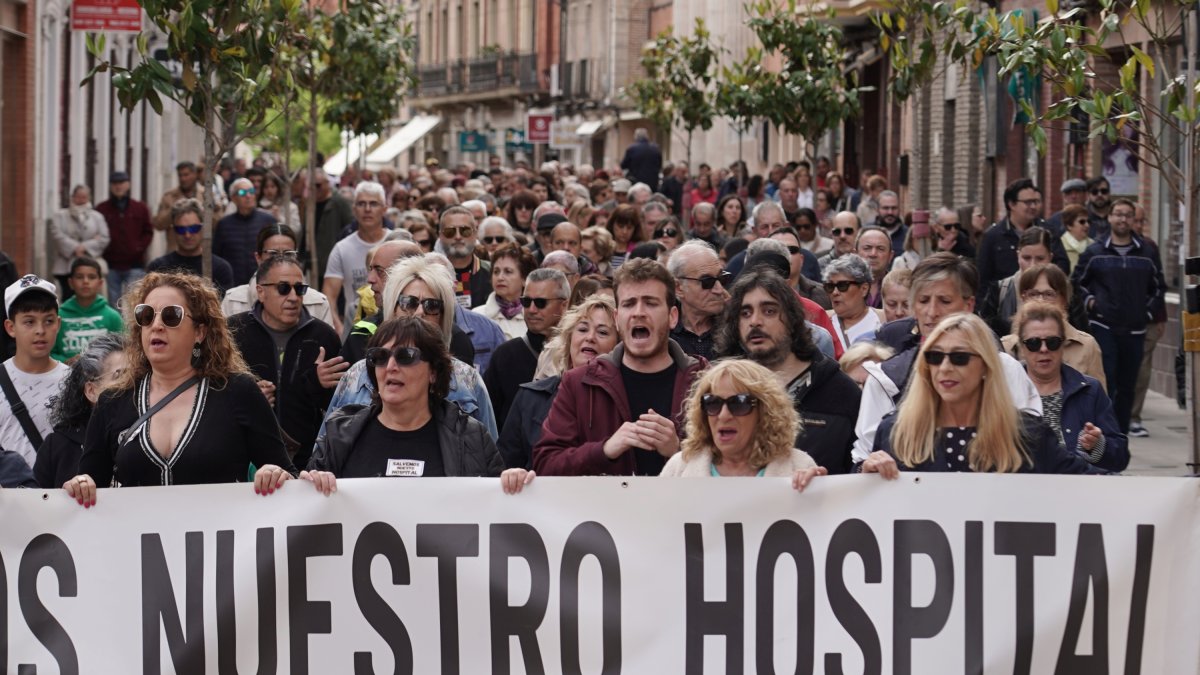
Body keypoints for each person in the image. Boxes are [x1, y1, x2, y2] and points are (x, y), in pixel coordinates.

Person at [66, 272, 297, 507]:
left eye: (171, 316)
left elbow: (288, 477)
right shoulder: (112, 401)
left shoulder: (238, 392)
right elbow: (91, 486)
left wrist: (276, 475)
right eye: (146, 315)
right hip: (137, 541)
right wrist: (80, 485)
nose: (156, 325)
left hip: (220, 541)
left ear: (200, 332)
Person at [853, 253, 1042, 467]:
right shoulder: (884, 379)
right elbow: (863, 458)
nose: (932, 312)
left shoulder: (1005, 368)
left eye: (944, 301)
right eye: (923, 301)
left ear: (968, 305)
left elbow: (1033, 447)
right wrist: (869, 467)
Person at [862, 313, 1102, 476]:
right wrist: (866, 474)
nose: (945, 367)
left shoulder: (1028, 435)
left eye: (959, 357)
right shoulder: (895, 432)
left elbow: (1087, 486)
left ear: (986, 367)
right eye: (934, 357)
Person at [303, 317, 526, 487]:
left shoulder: (472, 437)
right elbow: (306, 508)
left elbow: (497, 517)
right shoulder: (339, 433)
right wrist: (289, 481)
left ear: (434, 372)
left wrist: (512, 485)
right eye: (380, 357)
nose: (390, 366)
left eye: (406, 356)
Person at [534, 258, 706, 476]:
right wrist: (604, 450)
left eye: (651, 303)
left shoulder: (704, 382)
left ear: (673, 317)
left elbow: (731, 466)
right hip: (602, 510)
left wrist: (679, 452)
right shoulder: (579, 383)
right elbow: (546, 464)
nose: (638, 312)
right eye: (629, 304)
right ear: (617, 318)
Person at [318, 255, 498, 444]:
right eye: (408, 303)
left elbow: (488, 457)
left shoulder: (467, 380)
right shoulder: (356, 376)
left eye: (432, 305)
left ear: (443, 318)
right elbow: (324, 455)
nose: (420, 312)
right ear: (392, 309)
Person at [715, 269, 861, 473]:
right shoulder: (720, 388)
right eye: (745, 313)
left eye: (769, 311)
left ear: (793, 320)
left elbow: (859, 469)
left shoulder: (841, 392)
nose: (755, 321)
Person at [228, 254, 343, 467]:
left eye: (299, 289)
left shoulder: (323, 336)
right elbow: (211, 395)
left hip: (306, 462)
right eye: (283, 288)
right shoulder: (233, 332)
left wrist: (319, 385)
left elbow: (340, 408)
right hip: (245, 461)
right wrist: (248, 397)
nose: (293, 297)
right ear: (260, 292)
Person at [1072, 197, 1166, 433]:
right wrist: (1092, 303)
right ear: (1110, 218)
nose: (1123, 219)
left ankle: (1121, 434)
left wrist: (1146, 311)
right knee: (1107, 382)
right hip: (1104, 327)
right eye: (1118, 214)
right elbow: (1076, 283)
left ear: (1134, 220)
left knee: (1127, 386)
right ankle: (1104, 432)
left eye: (1127, 215)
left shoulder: (1147, 252)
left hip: (1135, 329)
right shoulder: (1095, 251)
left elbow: (1158, 287)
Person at [661, 359, 826, 490]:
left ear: (764, 412)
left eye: (739, 403)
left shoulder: (799, 466)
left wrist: (817, 493)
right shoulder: (679, 469)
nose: (724, 415)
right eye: (713, 403)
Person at [498, 295, 619, 469]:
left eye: (602, 332)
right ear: (569, 340)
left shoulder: (624, 401)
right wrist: (514, 475)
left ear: (618, 347)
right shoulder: (530, 397)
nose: (590, 337)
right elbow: (503, 464)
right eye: (583, 329)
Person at [1014, 302, 1128, 472]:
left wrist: (1097, 446)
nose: (1044, 349)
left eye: (1052, 342)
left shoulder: (1090, 390)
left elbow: (1120, 458)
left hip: (1078, 491)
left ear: (1063, 344)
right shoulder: (1004, 391)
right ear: (1022, 348)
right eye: (1033, 343)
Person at [35, 334, 127, 489]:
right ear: (91, 390)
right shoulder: (57, 446)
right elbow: (37, 506)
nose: (131, 385)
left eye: (137, 377)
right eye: (120, 376)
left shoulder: (150, 436)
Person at [484, 268, 569, 431]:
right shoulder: (505, 355)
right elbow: (490, 418)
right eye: (526, 302)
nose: (531, 309)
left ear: (564, 305)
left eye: (540, 303)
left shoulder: (577, 353)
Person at [0, 275, 70, 471]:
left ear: (58, 323)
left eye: (48, 321)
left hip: (59, 495)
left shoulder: (73, 382)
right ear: (11, 327)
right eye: (29, 322)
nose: (40, 330)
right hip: (8, 497)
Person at [976, 178, 1069, 305]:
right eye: (1028, 202)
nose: (1033, 206)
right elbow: (983, 278)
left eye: (1036, 202)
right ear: (1011, 204)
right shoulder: (993, 236)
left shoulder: (1048, 231)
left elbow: (1063, 266)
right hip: (1006, 304)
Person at [221, 224, 335, 327]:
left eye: (288, 254)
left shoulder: (318, 302)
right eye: (272, 253)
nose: (280, 259)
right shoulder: (233, 300)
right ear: (258, 258)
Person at [323, 181, 390, 335]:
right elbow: (329, 297)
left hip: (393, 329)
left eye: (373, 204)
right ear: (354, 210)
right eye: (361, 204)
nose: (367, 209)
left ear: (384, 209)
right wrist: (340, 329)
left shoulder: (397, 243)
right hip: (355, 331)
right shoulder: (341, 249)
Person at [146, 198, 236, 296]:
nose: (187, 235)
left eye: (193, 228)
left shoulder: (220, 268)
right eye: (181, 229)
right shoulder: (158, 268)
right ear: (173, 230)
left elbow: (223, 308)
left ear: (203, 228)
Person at [980, 225, 1054, 337]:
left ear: (1050, 257)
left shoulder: (1066, 292)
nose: (1032, 265)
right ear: (1018, 255)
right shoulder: (998, 291)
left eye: (1040, 258)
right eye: (1026, 258)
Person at [51, 257, 124, 363]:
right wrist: (66, 361)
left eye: (91, 277)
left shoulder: (113, 317)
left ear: (100, 283)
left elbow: (125, 351)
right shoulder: (58, 316)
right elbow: (48, 352)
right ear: (71, 283)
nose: (85, 281)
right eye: (80, 277)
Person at [98, 171, 154, 305]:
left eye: (122, 183)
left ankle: (133, 326)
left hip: (135, 264)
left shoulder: (140, 208)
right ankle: (117, 326)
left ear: (128, 185)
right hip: (112, 264)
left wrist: (139, 247)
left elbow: (148, 231)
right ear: (110, 186)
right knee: (113, 301)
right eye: (115, 183)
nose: (118, 187)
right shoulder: (102, 209)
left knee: (134, 301)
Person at [668, 240, 730, 360]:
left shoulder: (736, 326)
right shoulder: (663, 331)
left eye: (722, 278)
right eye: (707, 282)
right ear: (678, 287)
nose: (719, 289)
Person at [213, 177, 278, 285]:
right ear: (233, 198)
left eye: (251, 191)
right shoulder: (224, 224)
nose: (248, 196)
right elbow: (217, 256)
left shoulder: (268, 221)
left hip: (264, 283)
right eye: (242, 192)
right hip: (233, 285)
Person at [50, 185, 110, 299]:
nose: (81, 200)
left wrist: (85, 247)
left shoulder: (97, 217)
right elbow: (57, 235)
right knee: (67, 296)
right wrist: (75, 248)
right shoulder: (60, 216)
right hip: (65, 265)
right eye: (78, 197)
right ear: (72, 197)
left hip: (91, 262)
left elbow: (104, 238)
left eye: (84, 197)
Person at [473, 243, 536, 340]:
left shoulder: (535, 316)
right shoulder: (477, 316)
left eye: (508, 271)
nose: (500, 277)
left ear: (524, 279)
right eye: (496, 272)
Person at [437, 205, 492, 309]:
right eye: (450, 232)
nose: (458, 237)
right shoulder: (430, 275)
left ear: (475, 233)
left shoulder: (493, 272)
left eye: (465, 231)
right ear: (440, 236)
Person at [824, 254, 885, 347]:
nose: (835, 292)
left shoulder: (883, 319)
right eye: (830, 286)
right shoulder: (822, 320)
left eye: (842, 286)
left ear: (864, 289)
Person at [152, 161, 206, 252]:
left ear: (195, 175)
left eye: (186, 175)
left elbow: (217, 222)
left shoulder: (206, 194)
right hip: (176, 252)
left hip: (201, 252)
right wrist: (174, 209)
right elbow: (158, 224)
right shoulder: (169, 196)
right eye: (180, 175)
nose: (183, 179)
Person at [854, 226, 894, 309]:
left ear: (890, 256)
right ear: (855, 254)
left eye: (880, 249)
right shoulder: (843, 287)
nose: (873, 254)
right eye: (867, 248)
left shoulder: (899, 288)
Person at [606, 204, 644, 269]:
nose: (625, 232)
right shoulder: (604, 247)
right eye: (621, 226)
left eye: (629, 228)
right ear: (612, 225)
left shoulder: (640, 250)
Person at [1059, 203, 1093, 273]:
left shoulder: (1094, 246)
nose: (1087, 225)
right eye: (1082, 222)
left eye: (1088, 221)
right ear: (1069, 225)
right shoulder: (1059, 246)